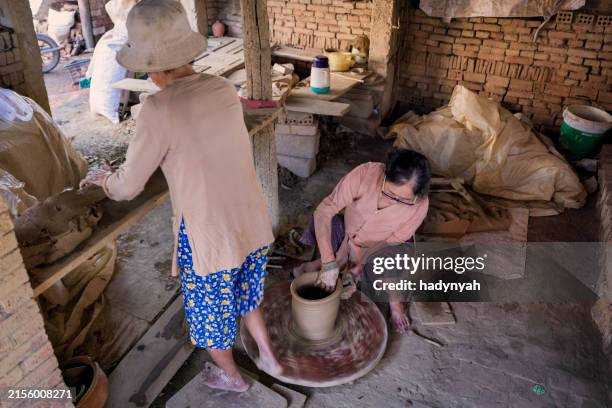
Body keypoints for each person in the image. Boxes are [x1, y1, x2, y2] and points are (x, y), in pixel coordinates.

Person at [81, 0, 280, 393]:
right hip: (251, 222)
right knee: (246, 291)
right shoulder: (222, 88)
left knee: (210, 317)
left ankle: (233, 377)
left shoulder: (157, 108)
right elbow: (203, 142)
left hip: (211, 236)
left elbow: (126, 187)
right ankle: (270, 355)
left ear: (149, 66)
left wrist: (104, 178)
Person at [294, 149, 431, 332]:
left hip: (384, 246)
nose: (393, 201)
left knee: (387, 264)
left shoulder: (419, 205)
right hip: (350, 235)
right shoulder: (365, 174)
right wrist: (329, 262)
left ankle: (395, 305)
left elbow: (393, 241)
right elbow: (324, 211)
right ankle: (327, 263)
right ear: (385, 175)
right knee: (329, 225)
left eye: (402, 200)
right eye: (389, 193)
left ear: (417, 195)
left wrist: (360, 264)